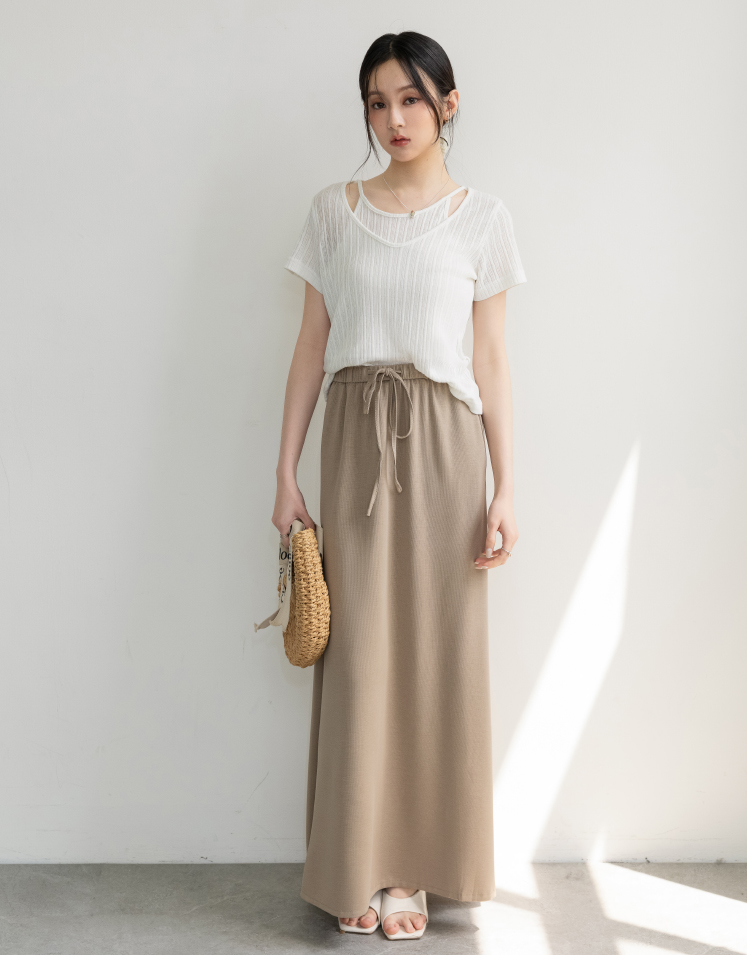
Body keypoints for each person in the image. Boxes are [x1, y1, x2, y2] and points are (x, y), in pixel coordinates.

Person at [272, 31, 526, 940]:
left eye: (411, 99)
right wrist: (284, 470)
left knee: (433, 655)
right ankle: (357, 859)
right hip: (353, 441)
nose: (393, 119)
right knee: (360, 654)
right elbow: (311, 346)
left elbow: (489, 360)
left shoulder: (481, 218)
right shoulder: (332, 211)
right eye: (377, 102)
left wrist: (505, 486)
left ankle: (412, 869)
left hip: (446, 448)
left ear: (447, 104)